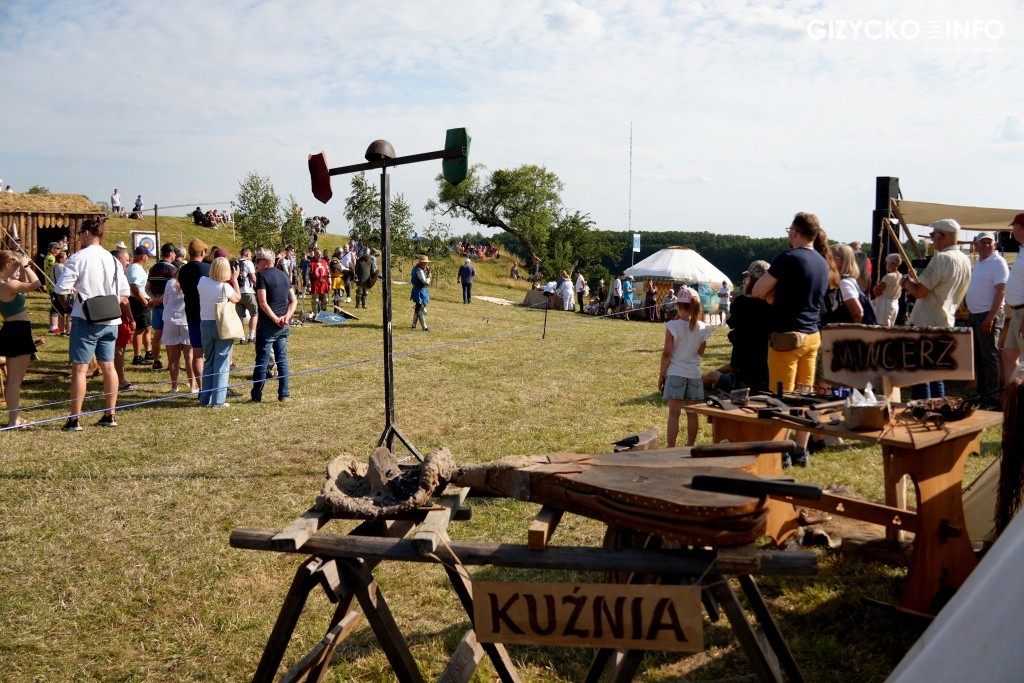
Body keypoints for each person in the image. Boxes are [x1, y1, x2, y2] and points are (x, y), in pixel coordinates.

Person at [751, 212, 829, 467]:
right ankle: (801, 451)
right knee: (804, 396)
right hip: (812, 336)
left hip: (787, 337)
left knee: (781, 397)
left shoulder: (788, 258)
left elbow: (757, 290)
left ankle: (782, 452)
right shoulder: (822, 262)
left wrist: (772, 297)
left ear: (794, 232)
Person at [55, 216, 131, 431]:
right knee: (109, 367)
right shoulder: (113, 259)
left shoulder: (78, 258)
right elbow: (124, 293)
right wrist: (108, 304)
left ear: (87, 233)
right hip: (111, 319)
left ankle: (74, 418)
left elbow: (61, 289)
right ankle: (110, 414)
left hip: (86, 317)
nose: (79, 237)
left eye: (80, 234)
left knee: (80, 369)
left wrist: (69, 306)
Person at [900, 219, 972, 400]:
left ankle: (922, 410)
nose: (932, 239)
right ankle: (939, 409)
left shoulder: (941, 258)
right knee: (936, 372)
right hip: (945, 320)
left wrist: (905, 282)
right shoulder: (965, 259)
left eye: (933, 235)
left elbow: (919, 292)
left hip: (926, 322)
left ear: (942, 236)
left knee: (920, 373)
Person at [658, 287, 713, 447]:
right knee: (692, 413)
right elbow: (701, 352)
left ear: (679, 306)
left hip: (675, 373)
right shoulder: (703, 327)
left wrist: (661, 376)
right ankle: (690, 446)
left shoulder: (672, 326)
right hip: (694, 374)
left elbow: (667, 354)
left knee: (673, 414)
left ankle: (671, 448)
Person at [963, 232, 1008, 407]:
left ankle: (991, 396)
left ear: (994, 245)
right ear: (976, 245)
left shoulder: (997, 262)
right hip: (977, 314)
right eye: (983, 242)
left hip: (988, 314)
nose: (987, 245)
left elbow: (1000, 292)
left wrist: (990, 318)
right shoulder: (981, 262)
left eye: (990, 242)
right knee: (980, 357)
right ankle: (983, 393)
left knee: (989, 357)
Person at [0, 249, 43, 428]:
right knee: (15, 379)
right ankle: (13, 419)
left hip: (12, 329)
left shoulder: (7, 283)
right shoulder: (8, 285)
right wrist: (25, 265)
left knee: (13, 379)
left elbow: (24, 287)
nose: (17, 268)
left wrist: (22, 267)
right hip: (18, 331)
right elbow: (36, 284)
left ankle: (14, 417)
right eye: (15, 264)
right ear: (7, 264)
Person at [251, 247, 296, 403]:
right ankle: (284, 394)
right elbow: (293, 301)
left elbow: (262, 303)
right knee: (282, 360)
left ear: (266, 262)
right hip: (283, 325)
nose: (255, 264)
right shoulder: (284, 275)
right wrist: (286, 317)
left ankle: (256, 396)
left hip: (268, 325)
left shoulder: (262, 276)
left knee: (262, 361)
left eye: (257, 261)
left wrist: (276, 319)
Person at [197, 256, 240, 407]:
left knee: (209, 361)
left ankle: (205, 399)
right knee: (221, 363)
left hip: (205, 324)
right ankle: (218, 401)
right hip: (221, 324)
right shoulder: (225, 287)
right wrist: (235, 280)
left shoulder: (202, 281)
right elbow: (237, 298)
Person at [726, 260, 773, 392]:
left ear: (751, 279)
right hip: (765, 358)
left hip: (742, 357)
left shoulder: (741, 302)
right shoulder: (771, 303)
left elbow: (731, 323)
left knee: (740, 397)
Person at [176, 239, 211, 395]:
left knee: (197, 352)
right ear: (202, 252)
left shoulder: (183, 270)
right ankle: (213, 387)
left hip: (191, 314)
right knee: (211, 353)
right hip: (208, 314)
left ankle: (202, 388)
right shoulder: (208, 269)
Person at [160, 271, 196, 393]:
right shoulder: (192, 282)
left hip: (171, 320)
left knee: (174, 357)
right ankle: (193, 386)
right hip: (186, 321)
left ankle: (174, 386)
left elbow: (165, 301)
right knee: (189, 356)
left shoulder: (170, 283)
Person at [1002, 213, 1024, 390]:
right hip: (1017, 311)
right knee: (1008, 355)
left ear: (1021, 228)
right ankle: (1011, 397)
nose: (1012, 231)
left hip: (1023, 312)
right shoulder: (1022, 249)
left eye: (1014, 227)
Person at [126, 246, 153, 367]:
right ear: (143, 256)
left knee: (147, 327)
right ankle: (137, 356)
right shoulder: (135, 269)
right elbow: (134, 287)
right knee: (140, 329)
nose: (148, 258)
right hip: (138, 302)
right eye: (147, 256)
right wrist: (144, 301)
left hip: (140, 300)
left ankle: (148, 352)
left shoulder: (136, 268)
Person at [871, 254, 903, 327]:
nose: (886, 264)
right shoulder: (900, 275)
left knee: (882, 327)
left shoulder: (888, 276)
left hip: (885, 304)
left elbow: (877, 292)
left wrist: (875, 288)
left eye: (887, 262)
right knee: (890, 327)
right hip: (895, 303)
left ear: (892, 263)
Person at [236, 247, 257, 343]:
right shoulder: (249, 263)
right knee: (254, 313)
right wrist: (258, 287)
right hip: (248, 291)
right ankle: (251, 336)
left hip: (237, 291)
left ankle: (242, 337)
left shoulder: (235, 262)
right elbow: (253, 277)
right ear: (247, 255)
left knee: (239, 316)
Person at [307, 248, 330, 316]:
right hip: (315, 282)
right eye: (316, 253)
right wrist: (308, 284)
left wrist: (330, 282)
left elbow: (328, 273)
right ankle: (315, 315)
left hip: (324, 282)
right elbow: (307, 274)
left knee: (325, 300)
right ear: (314, 254)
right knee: (315, 300)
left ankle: (323, 313)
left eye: (319, 253)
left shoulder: (324, 262)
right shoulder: (311, 263)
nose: (318, 255)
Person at [410, 255, 431, 331]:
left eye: (426, 262)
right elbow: (425, 282)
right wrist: (429, 277)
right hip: (420, 290)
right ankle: (424, 327)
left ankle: (413, 324)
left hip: (417, 289)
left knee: (418, 308)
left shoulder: (415, 268)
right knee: (421, 309)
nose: (426, 264)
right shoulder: (419, 270)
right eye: (424, 262)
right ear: (421, 262)